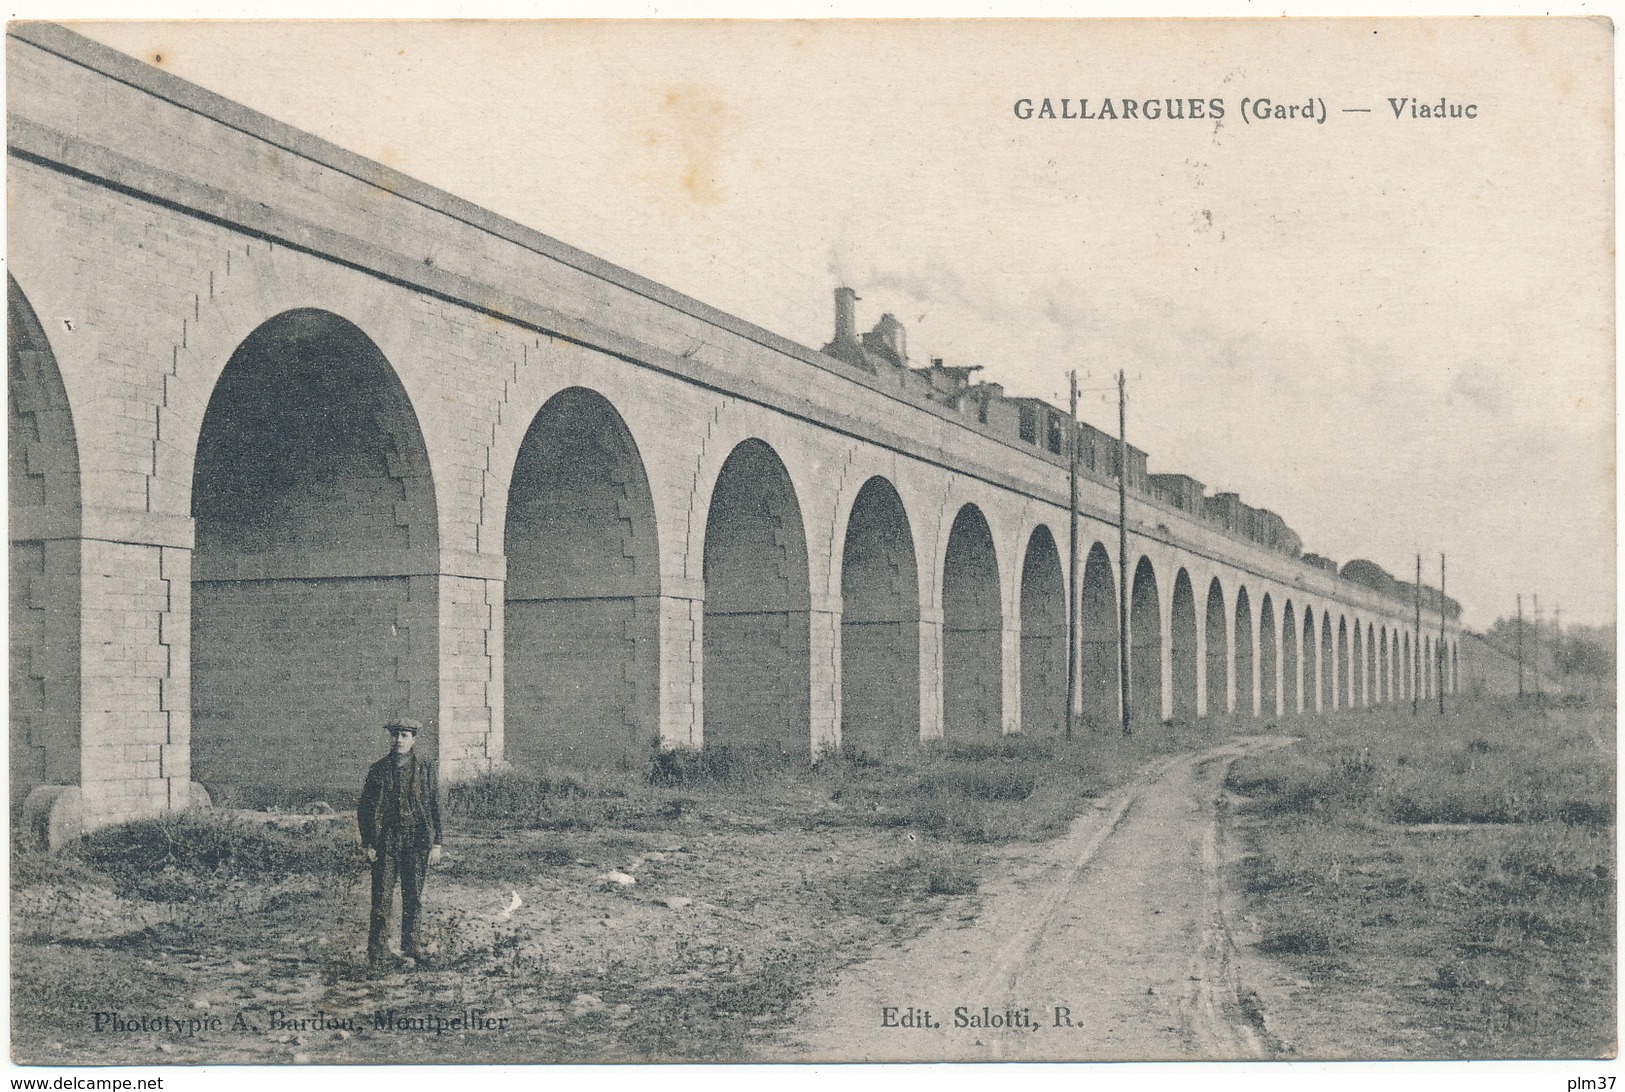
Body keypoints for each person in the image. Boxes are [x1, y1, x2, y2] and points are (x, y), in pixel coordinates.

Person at [357, 718, 442, 969]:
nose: (399, 740)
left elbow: (434, 805)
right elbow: (365, 808)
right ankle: (378, 953)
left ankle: (411, 946)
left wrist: (437, 842)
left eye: (405, 735)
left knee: (413, 896)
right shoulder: (378, 770)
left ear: (414, 739)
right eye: (395, 735)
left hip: (416, 840)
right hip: (386, 842)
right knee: (382, 896)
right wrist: (368, 842)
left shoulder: (425, 768)